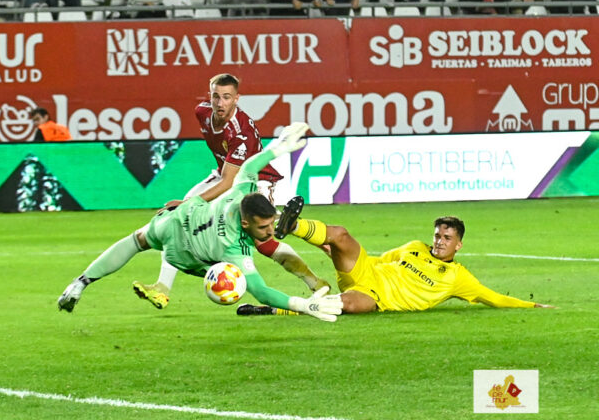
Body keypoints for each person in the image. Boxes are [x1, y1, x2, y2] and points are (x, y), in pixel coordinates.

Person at [58, 122, 344, 322]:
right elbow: (262, 292)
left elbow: (248, 167)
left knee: (136, 240)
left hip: (177, 220)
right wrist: (302, 305)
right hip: (186, 256)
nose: (270, 231)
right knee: (236, 280)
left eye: (270, 224)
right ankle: (171, 286)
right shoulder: (235, 249)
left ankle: (81, 283)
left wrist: (277, 148)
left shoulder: (242, 192)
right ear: (245, 224)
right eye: (263, 227)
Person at [131, 74, 329, 309]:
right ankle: (162, 289)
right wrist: (186, 207)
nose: (220, 102)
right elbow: (225, 176)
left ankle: (315, 280)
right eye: (216, 96)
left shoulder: (240, 131)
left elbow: (229, 182)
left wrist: (188, 203)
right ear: (209, 96)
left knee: (264, 243)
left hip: (255, 179)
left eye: (226, 97)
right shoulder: (202, 112)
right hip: (225, 173)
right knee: (179, 219)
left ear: (237, 99)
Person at [239, 200, 554, 315]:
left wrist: (532, 306)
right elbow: (377, 260)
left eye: (446, 239)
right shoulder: (415, 247)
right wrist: (334, 250)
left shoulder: (458, 278)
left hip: (375, 297)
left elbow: (493, 298)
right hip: (365, 272)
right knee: (341, 234)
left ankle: (274, 310)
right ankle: (291, 226)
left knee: (349, 305)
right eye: (437, 235)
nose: (439, 242)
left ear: (458, 245)